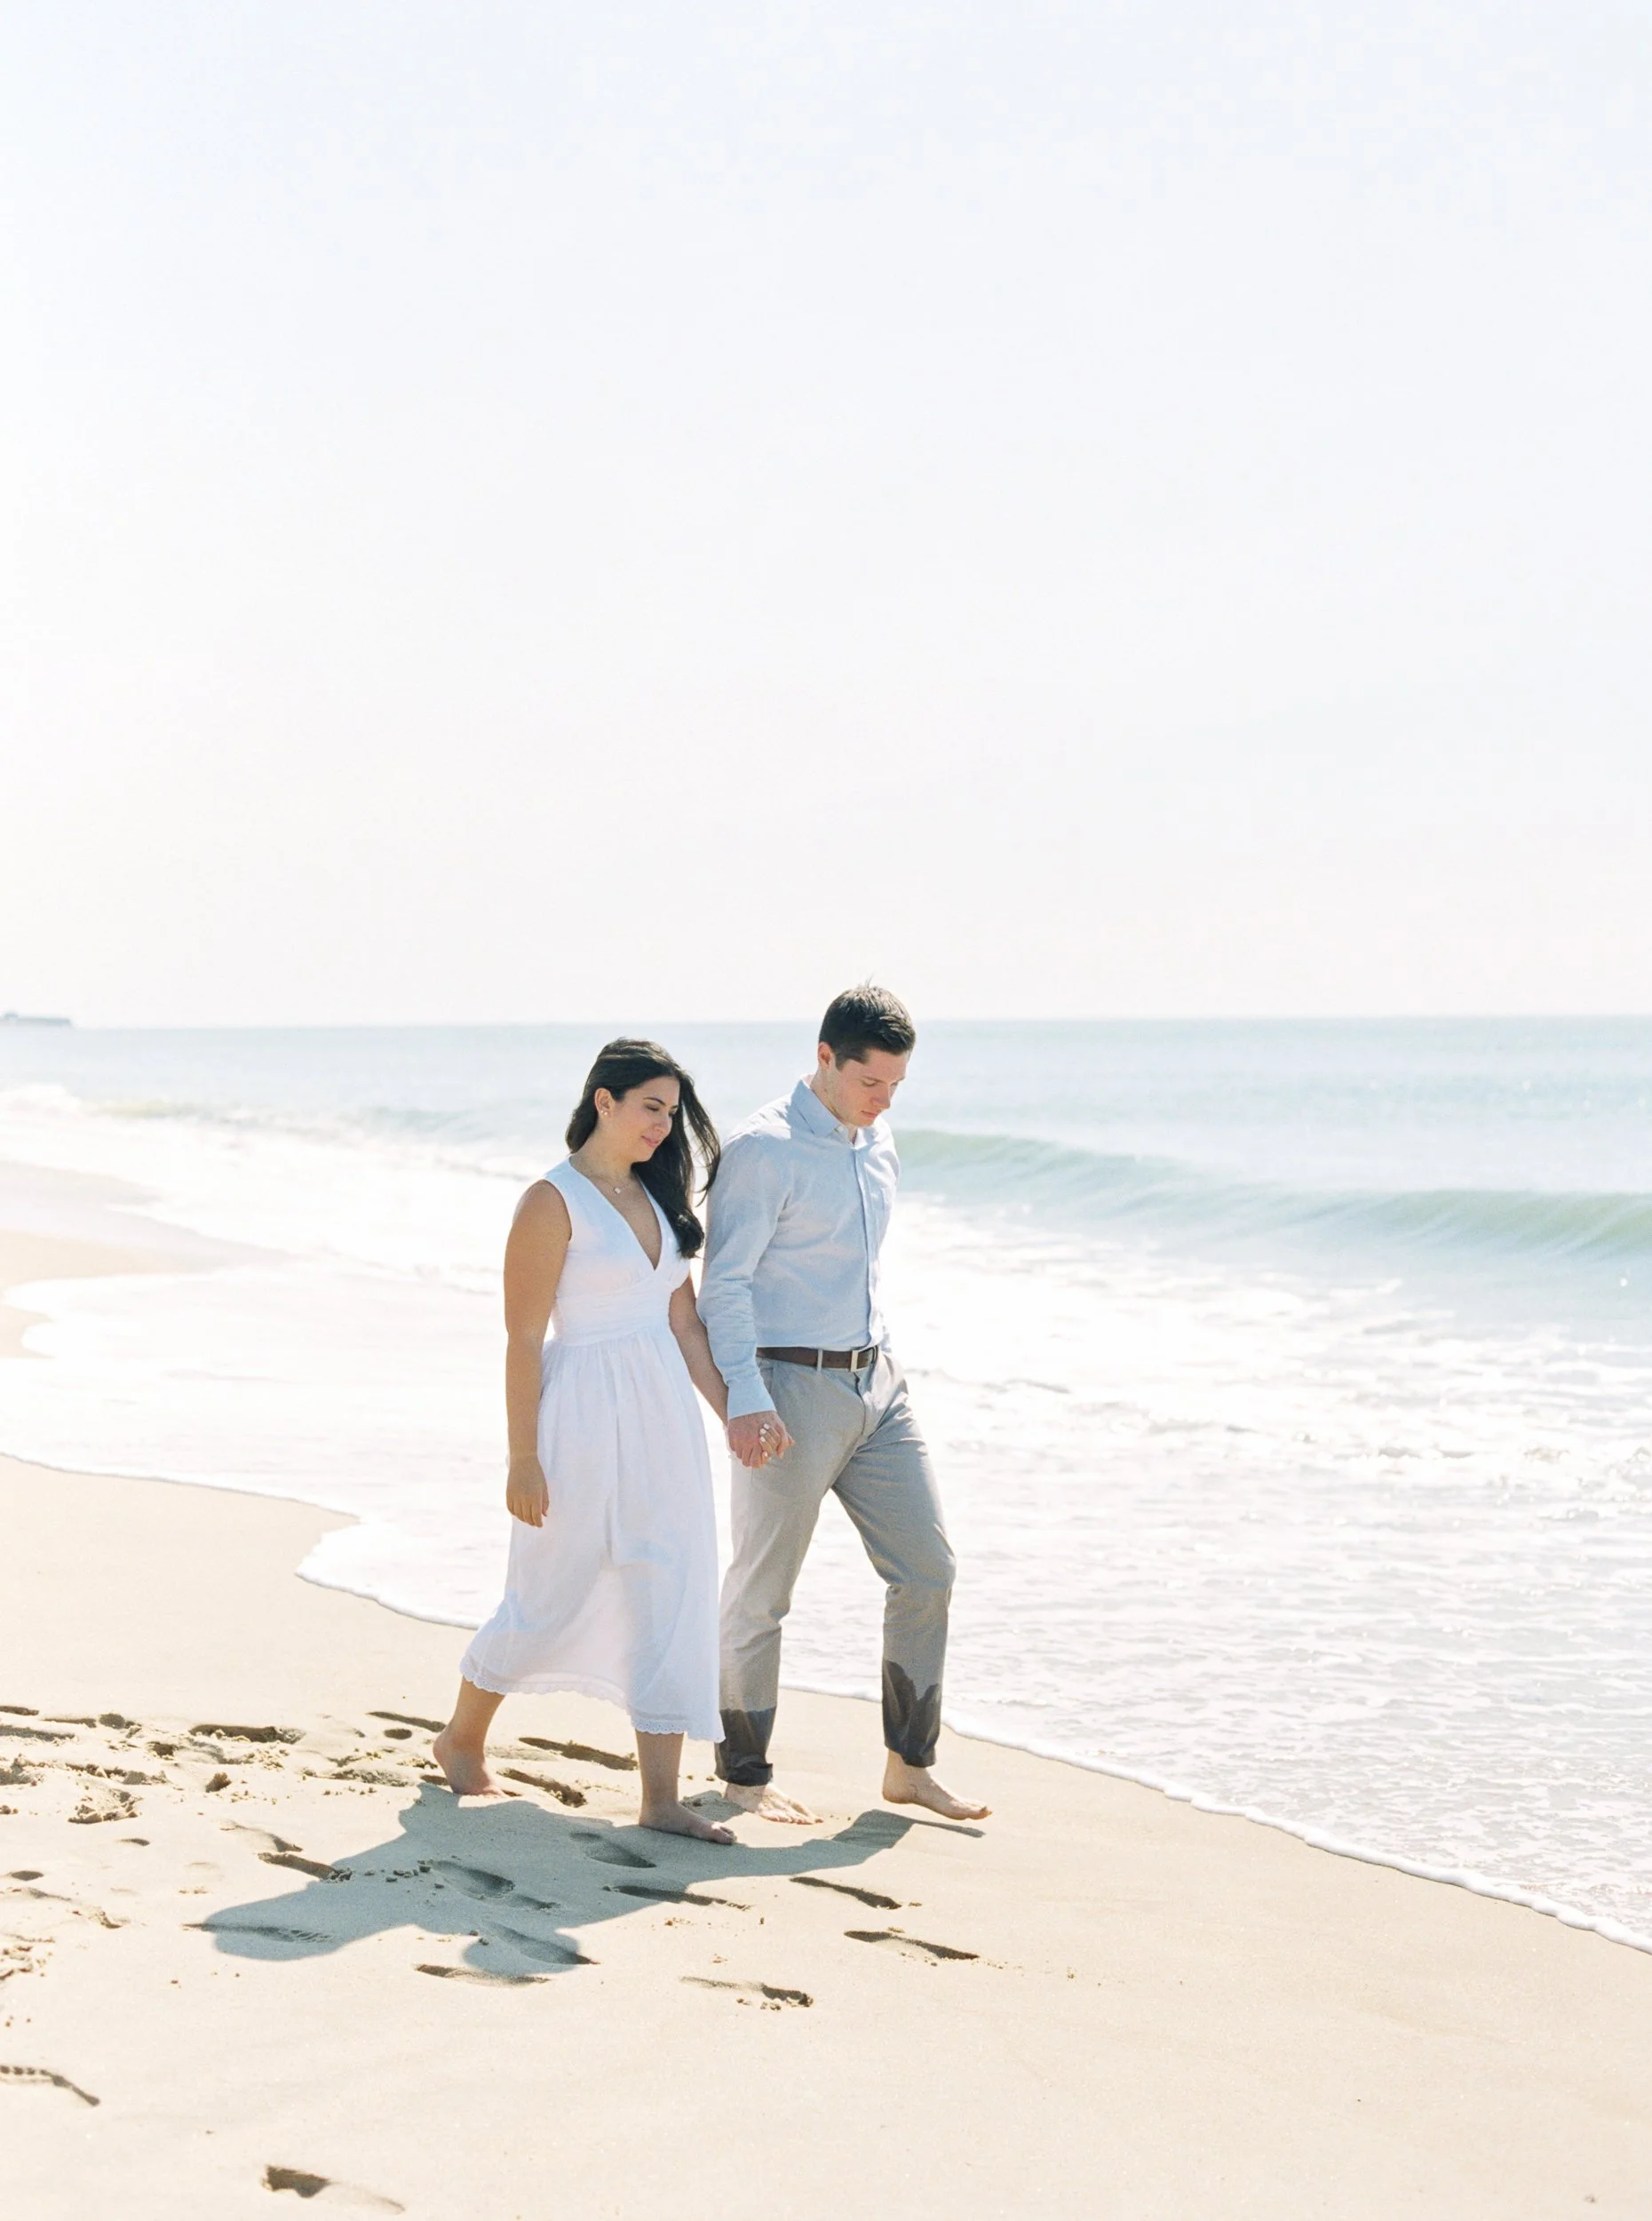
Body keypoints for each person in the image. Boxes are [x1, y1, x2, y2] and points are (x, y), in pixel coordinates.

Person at [698, 985, 989, 1824]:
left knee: (928, 1570)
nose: (885, 1100)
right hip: (788, 1389)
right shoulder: (764, 1151)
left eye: (897, 1085)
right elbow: (727, 1286)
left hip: (879, 1388)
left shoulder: (878, 1140)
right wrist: (745, 1401)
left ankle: (910, 1766)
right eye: (873, 1083)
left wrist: (883, 1363)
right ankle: (743, 1778)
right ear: (826, 1058)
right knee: (762, 1592)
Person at [434, 1040, 735, 1844]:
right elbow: (523, 1337)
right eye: (651, 1107)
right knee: (551, 1584)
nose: (664, 1127)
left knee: (670, 1587)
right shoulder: (550, 1199)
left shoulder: (660, 1200)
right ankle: (460, 1740)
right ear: (604, 1100)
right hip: (580, 1416)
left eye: (672, 1114)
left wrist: (732, 1415)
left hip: (664, 1417)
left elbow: (685, 1325)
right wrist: (522, 1455)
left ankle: (662, 1798)